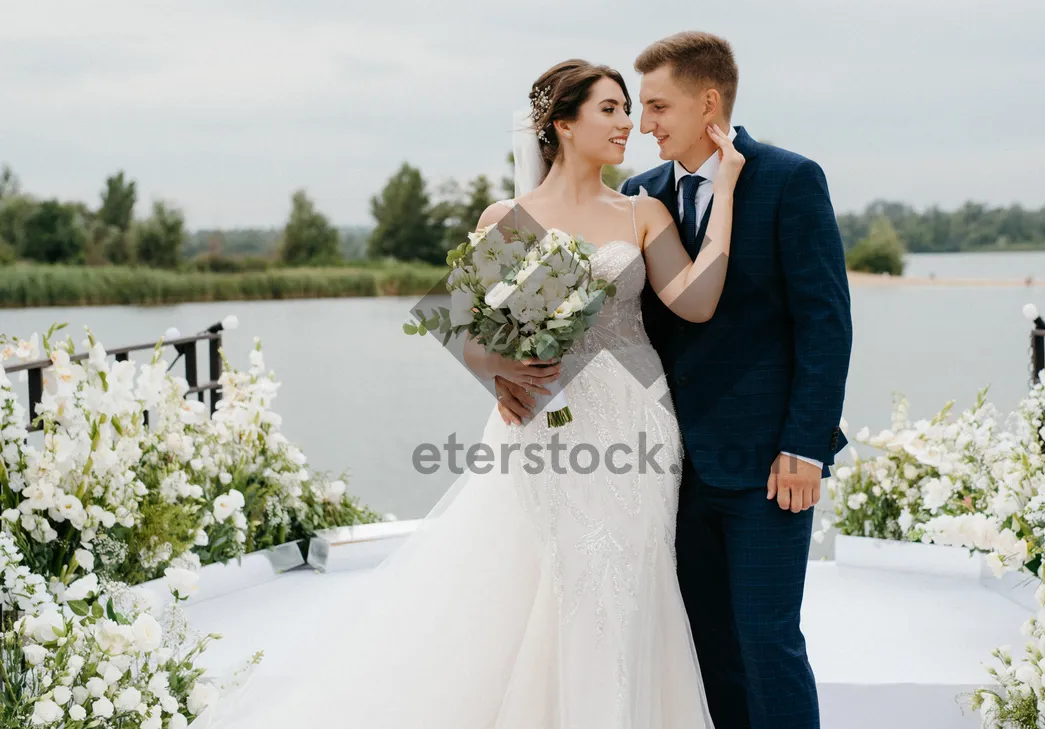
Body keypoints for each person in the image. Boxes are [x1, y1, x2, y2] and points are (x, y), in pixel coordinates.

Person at [208, 58, 742, 729]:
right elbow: (464, 330)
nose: (627, 122)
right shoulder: (508, 217)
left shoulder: (642, 210)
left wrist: (725, 190)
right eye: (609, 109)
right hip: (548, 423)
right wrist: (501, 377)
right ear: (563, 124)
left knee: (633, 582)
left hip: (640, 424)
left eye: (628, 108)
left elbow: (696, 301)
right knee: (566, 576)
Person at [502, 32, 854, 729]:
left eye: (656, 106)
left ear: (709, 102)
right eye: (630, 108)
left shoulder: (788, 179)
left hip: (767, 464)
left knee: (767, 639)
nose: (642, 123)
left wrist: (806, 445)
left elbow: (826, 323)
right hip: (659, 464)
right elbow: (551, 324)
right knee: (702, 646)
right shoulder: (642, 193)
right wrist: (502, 368)